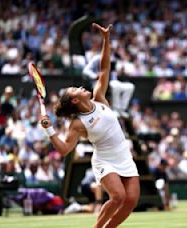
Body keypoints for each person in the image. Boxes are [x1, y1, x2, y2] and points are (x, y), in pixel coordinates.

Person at [40, 23, 140, 228]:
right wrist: (50, 130)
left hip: (124, 156)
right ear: (75, 101)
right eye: (75, 89)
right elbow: (65, 149)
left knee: (131, 201)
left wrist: (106, 40)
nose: (80, 87)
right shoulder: (77, 124)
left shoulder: (100, 98)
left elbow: (104, 68)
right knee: (118, 197)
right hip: (104, 161)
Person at [83, 41, 135, 115]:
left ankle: (122, 110)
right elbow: (86, 70)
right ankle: (116, 109)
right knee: (115, 85)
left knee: (130, 86)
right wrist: (95, 76)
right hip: (99, 83)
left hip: (112, 82)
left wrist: (120, 71)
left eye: (112, 49)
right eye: (108, 48)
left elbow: (116, 74)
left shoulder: (114, 59)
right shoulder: (97, 58)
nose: (110, 50)